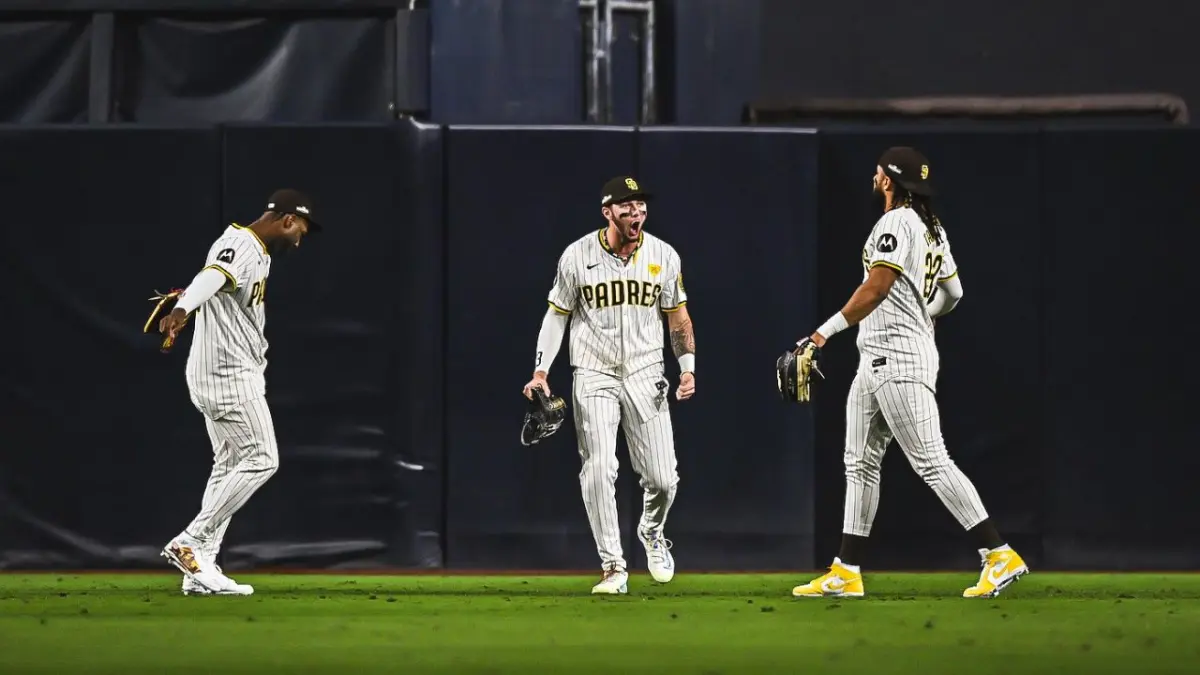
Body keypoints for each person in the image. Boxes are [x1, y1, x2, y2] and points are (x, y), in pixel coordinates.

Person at [788, 148, 1027, 599]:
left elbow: (876, 286)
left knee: (931, 461)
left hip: (896, 358)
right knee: (859, 464)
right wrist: (925, 316)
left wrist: (820, 335)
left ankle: (997, 554)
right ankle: (846, 570)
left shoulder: (896, 223)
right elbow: (953, 293)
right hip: (880, 358)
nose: (874, 174)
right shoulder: (932, 228)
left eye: (880, 170)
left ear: (888, 181)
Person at [523, 176, 696, 595]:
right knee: (599, 467)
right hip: (593, 372)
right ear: (608, 212)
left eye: (640, 206)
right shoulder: (577, 256)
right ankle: (613, 566)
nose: (635, 213)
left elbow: (678, 317)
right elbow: (556, 315)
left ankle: (652, 532)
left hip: (645, 371)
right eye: (626, 206)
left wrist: (687, 367)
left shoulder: (663, 256)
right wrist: (541, 370)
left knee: (663, 479)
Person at [158, 189, 320, 596]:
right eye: (301, 226)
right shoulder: (241, 244)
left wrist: (189, 303)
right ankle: (191, 541)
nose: (301, 235)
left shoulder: (255, 250)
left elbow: (212, 281)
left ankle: (200, 568)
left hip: (222, 371)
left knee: (228, 464)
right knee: (263, 459)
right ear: (286, 220)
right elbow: (209, 277)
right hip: (227, 373)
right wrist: (182, 309)